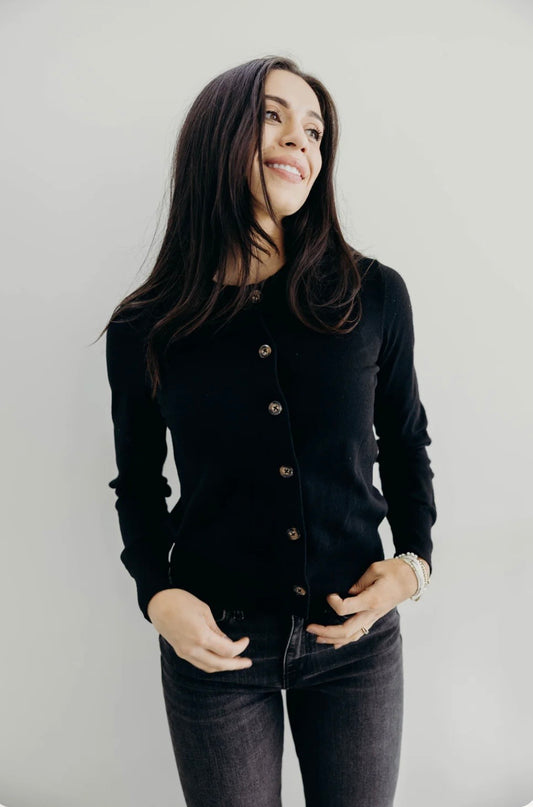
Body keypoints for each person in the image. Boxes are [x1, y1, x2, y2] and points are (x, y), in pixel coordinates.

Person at [103, 54, 436, 807]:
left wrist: (414, 564)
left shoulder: (374, 294)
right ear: (217, 135)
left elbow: (405, 441)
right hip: (215, 648)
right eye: (274, 117)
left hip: (352, 643)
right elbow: (138, 480)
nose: (299, 142)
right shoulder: (146, 325)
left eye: (315, 132)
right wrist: (157, 595)